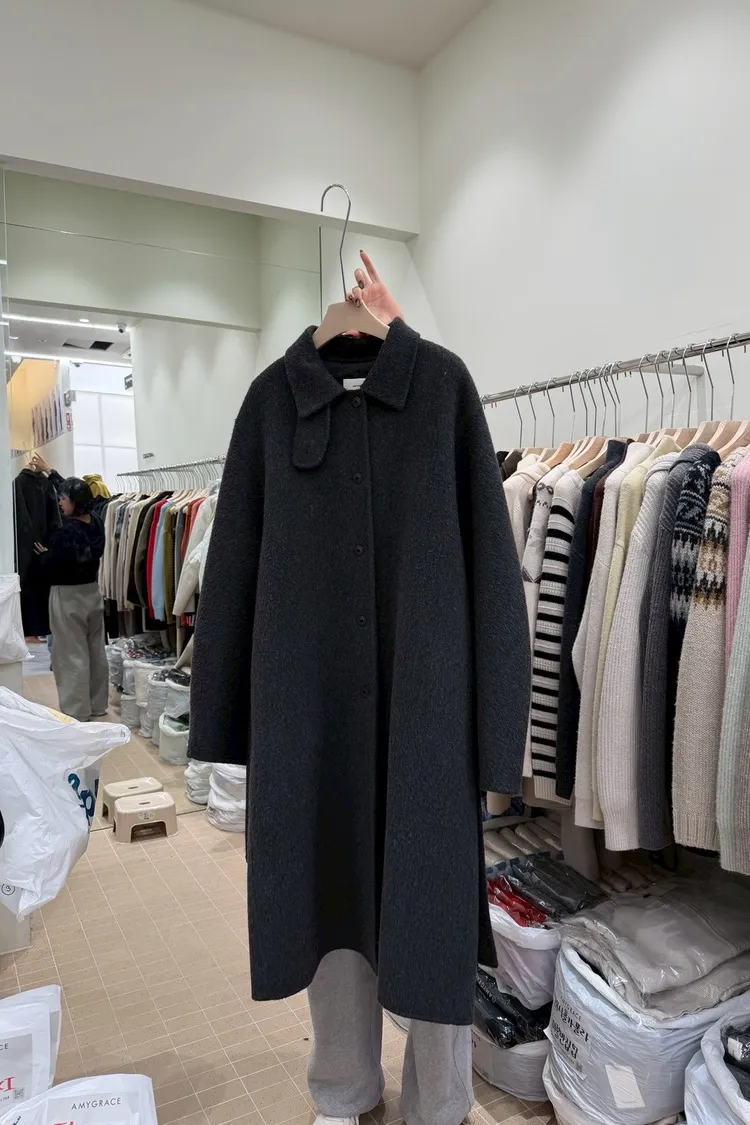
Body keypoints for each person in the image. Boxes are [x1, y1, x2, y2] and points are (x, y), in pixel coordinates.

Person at [34, 476, 109, 721]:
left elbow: (54, 566)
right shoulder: (96, 522)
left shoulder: (64, 531)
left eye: (64, 498)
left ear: (74, 501)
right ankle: (98, 705)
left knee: (70, 654)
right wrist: (51, 473)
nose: (60, 502)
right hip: (92, 592)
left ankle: (77, 710)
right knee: (96, 651)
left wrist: (45, 555)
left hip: (67, 596)